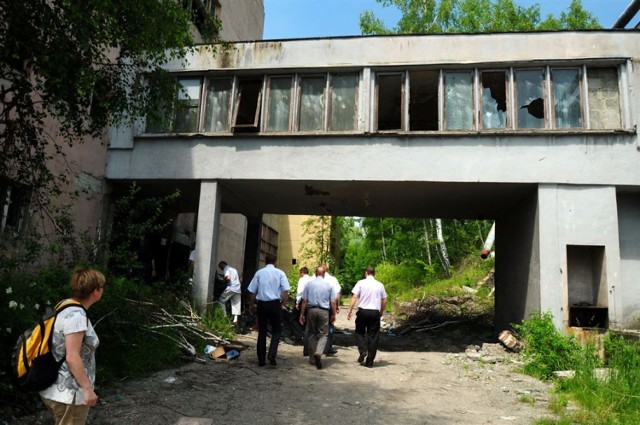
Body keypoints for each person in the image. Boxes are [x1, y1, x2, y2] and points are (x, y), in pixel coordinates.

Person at [40, 267, 106, 425]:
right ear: (96, 291)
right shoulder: (76, 316)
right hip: (70, 394)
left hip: (54, 387)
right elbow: (72, 356)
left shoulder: (65, 305)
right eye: (102, 287)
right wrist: (87, 389)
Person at [247, 253, 290, 367]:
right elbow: (285, 292)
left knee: (262, 332)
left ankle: (261, 359)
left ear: (265, 261)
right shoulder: (280, 273)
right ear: (275, 262)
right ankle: (272, 353)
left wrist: (251, 304)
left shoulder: (259, 273)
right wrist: (282, 303)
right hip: (275, 304)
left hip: (262, 304)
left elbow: (252, 291)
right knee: (276, 330)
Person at [347, 266, 388, 368]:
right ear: (374, 273)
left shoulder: (361, 283)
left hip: (363, 311)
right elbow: (384, 300)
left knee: (359, 332)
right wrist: (381, 312)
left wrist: (350, 310)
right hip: (374, 312)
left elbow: (355, 296)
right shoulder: (380, 285)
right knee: (373, 336)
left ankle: (362, 350)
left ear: (366, 273)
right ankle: (370, 361)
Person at [298, 266, 337, 370]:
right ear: (324, 274)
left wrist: (302, 314)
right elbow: (333, 301)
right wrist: (334, 314)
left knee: (312, 333)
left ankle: (312, 358)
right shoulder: (329, 285)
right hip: (324, 311)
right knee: (323, 334)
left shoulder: (309, 284)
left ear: (315, 273)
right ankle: (319, 352)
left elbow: (304, 301)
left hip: (311, 310)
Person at [321, 264, 341, 356]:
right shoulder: (333, 280)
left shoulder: (313, 279)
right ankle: (327, 347)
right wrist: (337, 305)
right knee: (329, 326)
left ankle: (315, 348)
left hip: (315, 306)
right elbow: (337, 293)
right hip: (328, 305)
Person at [294, 267, 312, 356]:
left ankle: (300, 335)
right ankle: (305, 336)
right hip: (310, 302)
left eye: (300, 273)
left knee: (293, 318)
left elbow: (300, 291)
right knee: (306, 321)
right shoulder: (312, 279)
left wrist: (297, 302)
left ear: (302, 272)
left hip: (302, 301)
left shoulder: (302, 280)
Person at [217, 261, 242, 326]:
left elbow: (228, 278)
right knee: (236, 304)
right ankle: (235, 320)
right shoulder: (234, 269)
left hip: (231, 288)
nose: (221, 269)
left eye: (220, 267)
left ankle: (224, 317)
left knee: (221, 301)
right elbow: (239, 278)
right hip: (238, 289)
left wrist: (224, 282)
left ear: (223, 265)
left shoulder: (226, 269)